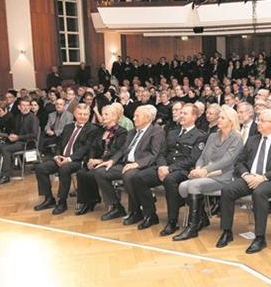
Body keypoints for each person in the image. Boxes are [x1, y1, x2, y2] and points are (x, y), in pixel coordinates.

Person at [217, 110, 271, 254]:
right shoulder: (253, 139)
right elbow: (239, 161)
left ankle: (260, 238)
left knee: (259, 193)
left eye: (262, 121)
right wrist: (246, 175)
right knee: (227, 190)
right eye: (259, 120)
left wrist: (263, 177)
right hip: (250, 177)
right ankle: (227, 231)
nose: (258, 123)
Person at [125, 103, 207, 235]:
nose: (181, 115)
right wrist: (162, 166)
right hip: (164, 167)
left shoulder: (200, 135)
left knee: (170, 180)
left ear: (194, 117)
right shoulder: (172, 132)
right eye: (181, 113)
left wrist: (169, 168)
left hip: (183, 170)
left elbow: (192, 159)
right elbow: (161, 153)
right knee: (138, 177)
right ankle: (150, 214)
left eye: (185, 113)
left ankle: (172, 222)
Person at [172, 105, 245, 241]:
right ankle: (202, 217)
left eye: (223, 118)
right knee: (182, 187)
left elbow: (227, 160)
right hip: (206, 174)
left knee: (193, 186)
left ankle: (192, 227)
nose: (219, 120)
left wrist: (205, 171)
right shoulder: (212, 136)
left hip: (224, 176)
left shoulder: (237, 138)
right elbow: (203, 156)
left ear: (231, 121)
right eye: (219, 117)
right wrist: (198, 168)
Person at [93, 105, 165, 222]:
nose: (134, 118)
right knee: (100, 171)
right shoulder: (132, 132)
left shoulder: (156, 131)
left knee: (129, 175)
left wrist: (137, 164)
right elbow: (123, 149)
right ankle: (116, 206)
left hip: (142, 166)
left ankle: (135, 211)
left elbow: (154, 153)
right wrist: (111, 161)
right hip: (125, 164)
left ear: (147, 118)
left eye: (137, 116)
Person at [32, 103, 100, 214]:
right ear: (74, 114)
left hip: (77, 161)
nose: (83, 116)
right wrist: (57, 156)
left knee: (64, 169)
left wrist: (69, 159)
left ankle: (62, 202)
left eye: (86, 114)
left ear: (89, 115)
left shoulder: (92, 129)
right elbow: (59, 144)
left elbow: (86, 148)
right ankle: (49, 199)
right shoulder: (68, 127)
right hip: (61, 158)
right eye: (80, 114)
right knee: (40, 168)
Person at [74, 103, 129, 215]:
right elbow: (93, 147)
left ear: (114, 116)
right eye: (103, 114)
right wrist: (91, 159)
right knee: (81, 172)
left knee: (91, 174)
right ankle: (88, 202)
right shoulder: (100, 130)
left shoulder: (121, 132)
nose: (102, 116)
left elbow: (116, 151)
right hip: (97, 160)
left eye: (106, 114)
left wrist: (100, 161)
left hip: (112, 162)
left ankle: (113, 205)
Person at [0, 97, 40, 184]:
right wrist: (7, 135)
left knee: (6, 149)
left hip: (27, 143)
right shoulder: (17, 117)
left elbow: (34, 135)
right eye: (23, 105)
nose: (26, 107)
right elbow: (13, 132)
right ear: (19, 107)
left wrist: (18, 137)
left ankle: (6, 176)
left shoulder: (33, 118)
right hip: (15, 141)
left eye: (28, 105)